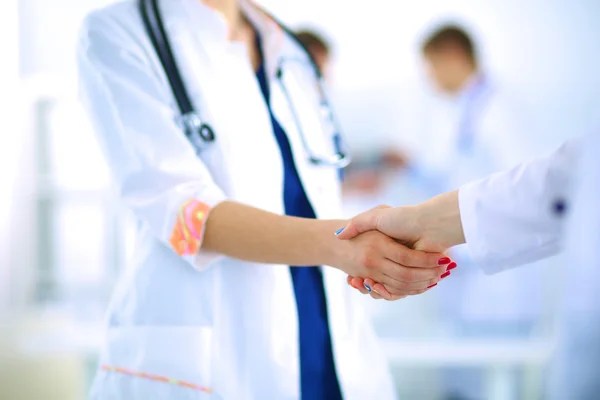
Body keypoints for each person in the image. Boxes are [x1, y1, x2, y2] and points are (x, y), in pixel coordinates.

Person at [77, 0, 451, 398]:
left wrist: (371, 243)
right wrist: (347, 244)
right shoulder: (120, 32)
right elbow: (181, 214)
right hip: (215, 352)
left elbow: (304, 186)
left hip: (325, 340)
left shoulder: (287, 48)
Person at [340, 129, 600, 398]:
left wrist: (427, 226)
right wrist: (424, 221)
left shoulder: (498, 116)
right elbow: (560, 183)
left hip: (500, 300)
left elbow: (560, 186)